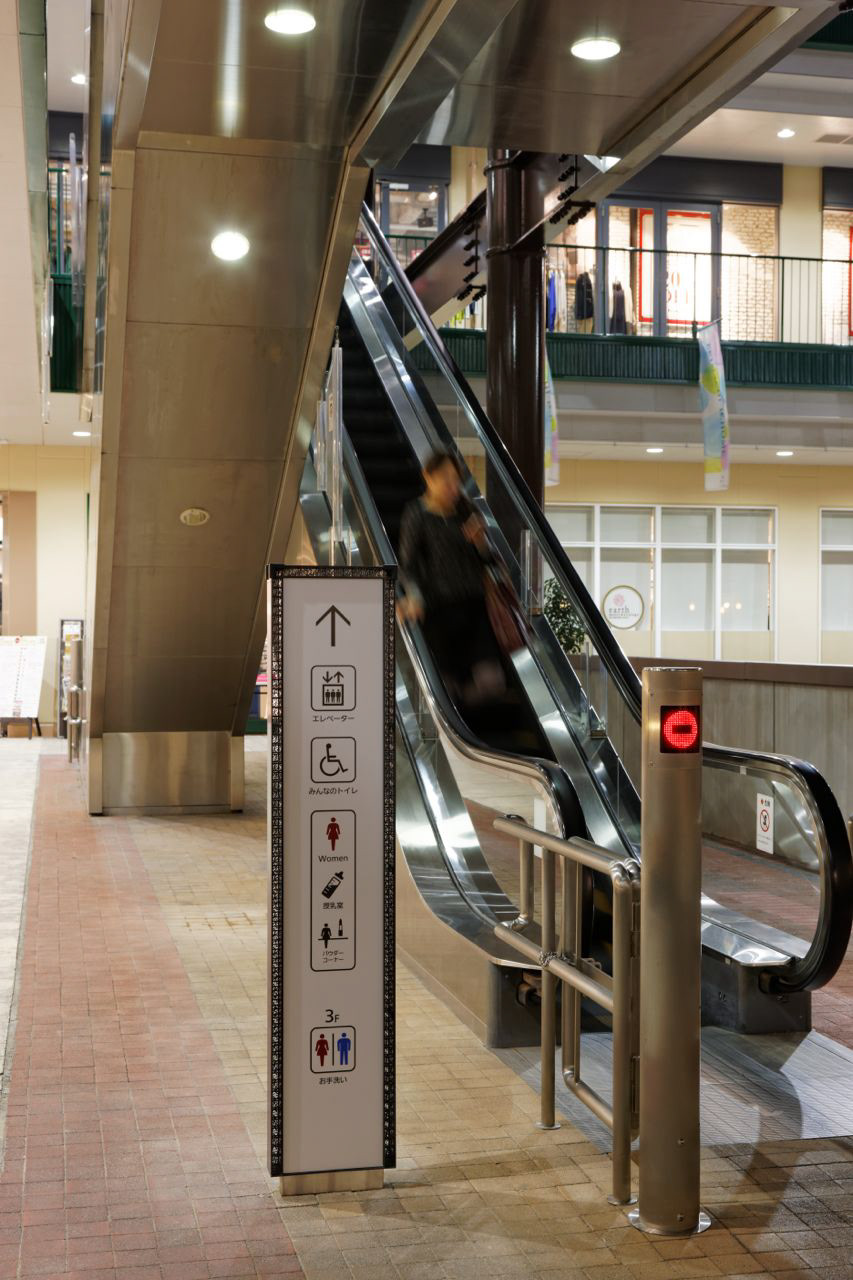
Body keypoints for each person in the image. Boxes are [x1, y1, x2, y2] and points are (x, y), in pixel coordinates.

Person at [399, 451, 506, 708]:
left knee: (491, 682)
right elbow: (408, 564)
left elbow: (490, 563)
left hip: (475, 609)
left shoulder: (465, 512)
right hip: (439, 612)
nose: (452, 486)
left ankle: (466, 716)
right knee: (447, 690)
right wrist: (413, 595)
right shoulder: (417, 513)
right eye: (445, 478)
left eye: (456, 479)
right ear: (428, 477)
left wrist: (480, 543)